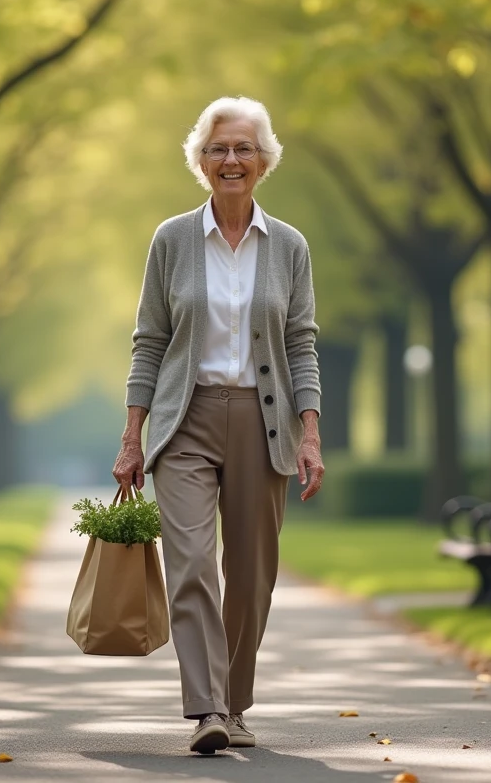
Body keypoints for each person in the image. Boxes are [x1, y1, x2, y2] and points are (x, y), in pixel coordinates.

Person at [113, 96, 324, 754]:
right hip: (187, 420)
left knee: (252, 575)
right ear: (200, 162)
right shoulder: (172, 239)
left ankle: (235, 706)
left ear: (264, 161)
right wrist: (132, 437)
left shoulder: (288, 245)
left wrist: (310, 433)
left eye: (242, 149)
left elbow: (301, 343)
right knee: (193, 564)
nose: (230, 160)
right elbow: (149, 340)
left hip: (264, 424)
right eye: (217, 149)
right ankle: (205, 709)